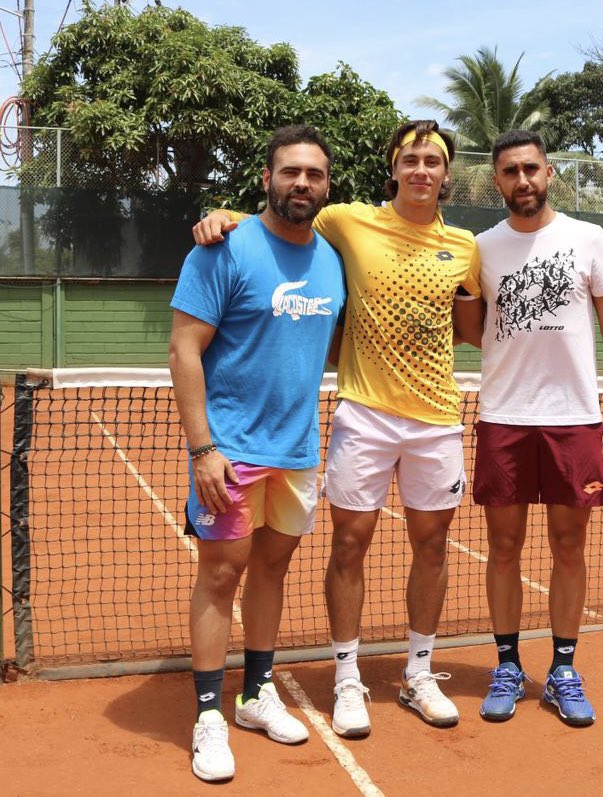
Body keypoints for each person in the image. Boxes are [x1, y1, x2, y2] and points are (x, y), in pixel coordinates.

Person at [192, 120, 481, 737]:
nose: (422, 170)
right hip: (363, 413)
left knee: (431, 547)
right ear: (393, 170)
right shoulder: (345, 222)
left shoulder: (465, 246)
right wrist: (224, 213)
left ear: (447, 173)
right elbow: (280, 222)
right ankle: (347, 679)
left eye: (433, 160)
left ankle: (419, 672)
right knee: (347, 545)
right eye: (411, 160)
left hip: (436, 420)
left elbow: (470, 327)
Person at [169, 124, 346, 782]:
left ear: (328, 186)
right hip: (230, 448)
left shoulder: (331, 259)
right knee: (221, 577)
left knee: (272, 569)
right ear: (267, 178)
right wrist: (203, 447)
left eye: (315, 174)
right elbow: (183, 348)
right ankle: (209, 714)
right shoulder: (224, 248)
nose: (302, 183)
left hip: (298, 450)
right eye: (290, 171)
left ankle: (255, 694)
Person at [453, 129, 603, 728]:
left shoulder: (589, 238)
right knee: (504, 548)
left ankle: (563, 669)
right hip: (504, 419)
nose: (523, 181)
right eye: (510, 172)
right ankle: (507, 664)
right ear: (497, 181)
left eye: (531, 169)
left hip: (575, 422)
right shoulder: (479, 248)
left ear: (549, 173)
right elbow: (469, 330)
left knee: (568, 548)